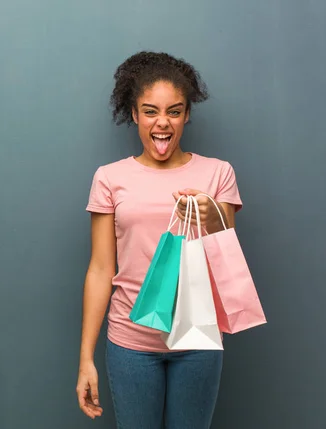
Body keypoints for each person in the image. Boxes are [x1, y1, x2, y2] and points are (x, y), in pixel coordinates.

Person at [76, 51, 243, 429]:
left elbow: (227, 255)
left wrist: (211, 214)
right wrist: (86, 357)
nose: (162, 123)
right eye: (150, 111)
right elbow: (101, 269)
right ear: (134, 115)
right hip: (131, 344)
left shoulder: (217, 174)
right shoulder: (109, 178)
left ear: (186, 115)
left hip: (198, 342)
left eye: (174, 111)